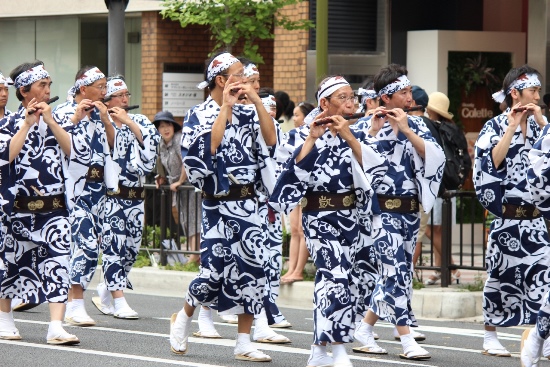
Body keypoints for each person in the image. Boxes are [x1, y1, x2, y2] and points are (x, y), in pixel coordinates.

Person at [170, 52, 281, 362]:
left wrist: (257, 101)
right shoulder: (198, 114)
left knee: (253, 272)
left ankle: (243, 341)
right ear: (222, 81)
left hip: (250, 205)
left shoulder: (250, 113)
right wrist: (226, 107)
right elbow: (205, 153)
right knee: (213, 273)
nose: (245, 80)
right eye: (239, 75)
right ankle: (184, 315)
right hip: (218, 205)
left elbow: (272, 142)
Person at [270, 75, 388, 367]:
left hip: (353, 219)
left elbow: (378, 173)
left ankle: (318, 350)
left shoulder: (357, 131)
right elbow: (288, 177)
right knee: (333, 278)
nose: (351, 103)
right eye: (344, 98)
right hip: (320, 217)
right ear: (325, 103)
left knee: (345, 283)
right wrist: (311, 138)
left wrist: (349, 136)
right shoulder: (300, 134)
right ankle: (337, 350)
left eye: (352, 97)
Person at [351, 64, 445, 360]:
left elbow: (434, 157)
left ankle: (364, 329)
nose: (409, 97)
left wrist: (405, 129)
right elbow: (355, 163)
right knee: (394, 271)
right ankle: (406, 340)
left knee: (399, 275)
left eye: (408, 91)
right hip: (381, 213)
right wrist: (373, 131)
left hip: (410, 212)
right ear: (387, 97)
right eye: (403, 92)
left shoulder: (415, 124)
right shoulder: (365, 126)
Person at [0, 61, 86, 345]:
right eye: (42, 86)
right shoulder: (8, 123)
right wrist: (26, 123)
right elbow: (6, 157)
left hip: (54, 209)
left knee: (59, 263)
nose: (48, 91)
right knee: (11, 265)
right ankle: (5, 319)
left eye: (49, 85)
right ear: (24, 91)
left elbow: (74, 152)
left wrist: (50, 121)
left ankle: (56, 326)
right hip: (17, 210)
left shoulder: (57, 120)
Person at [473, 65, 550, 358]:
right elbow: (490, 163)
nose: (538, 95)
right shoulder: (492, 126)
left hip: (535, 218)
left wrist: (542, 124)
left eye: (539, 90)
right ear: (515, 93)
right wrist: (510, 127)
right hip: (507, 217)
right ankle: (489, 335)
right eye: (533, 90)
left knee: (544, 280)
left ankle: (543, 337)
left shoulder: (543, 126)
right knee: (499, 276)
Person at [51, 66, 114, 327]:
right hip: (75, 189)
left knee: (90, 248)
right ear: (83, 87)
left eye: (105, 86)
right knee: (85, 246)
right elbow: (59, 147)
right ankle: (75, 304)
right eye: (100, 86)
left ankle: (71, 302)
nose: (104, 91)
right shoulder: (65, 112)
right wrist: (77, 118)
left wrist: (107, 120)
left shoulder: (99, 115)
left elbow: (112, 146)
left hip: (98, 189)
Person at [92, 75, 160, 319]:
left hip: (136, 197)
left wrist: (129, 123)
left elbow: (151, 153)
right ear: (107, 100)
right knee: (113, 247)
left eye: (127, 95)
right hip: (111, 197)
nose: (125, 99)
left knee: (131, 249)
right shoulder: (99, 122)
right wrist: (111, 122)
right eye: (119, 96)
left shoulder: (139, 120)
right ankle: (119, 300)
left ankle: (107, 290)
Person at [410, 89, 463, 285]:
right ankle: (444, 270)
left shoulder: (429, 126)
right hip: (447, 184)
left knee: (432, 231)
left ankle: (450, 267)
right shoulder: (451, 128)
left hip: (437, 186)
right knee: (435, 230)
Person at [154, 110, 201, 265]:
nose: (165, 129)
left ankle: (195, 254)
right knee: (184, 218)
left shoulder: (179, 140)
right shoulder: (161, 144)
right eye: (162, 126)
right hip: (178, 188)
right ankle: (194, 252)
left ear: (174, 127)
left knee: (192, 217)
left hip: (189, 185)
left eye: (168, 125)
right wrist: (160, 178)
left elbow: (187, 162)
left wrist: (180, 181)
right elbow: (161, 164)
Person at [280, 101, 315, 286]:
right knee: (294, 230)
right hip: (294, 187)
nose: (294, 118)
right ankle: (291, 268)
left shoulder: (314, 133)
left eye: (297, 114)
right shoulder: (292, 135)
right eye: (293, 114)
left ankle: (299, 270)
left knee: (303, 230)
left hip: (308, 189)